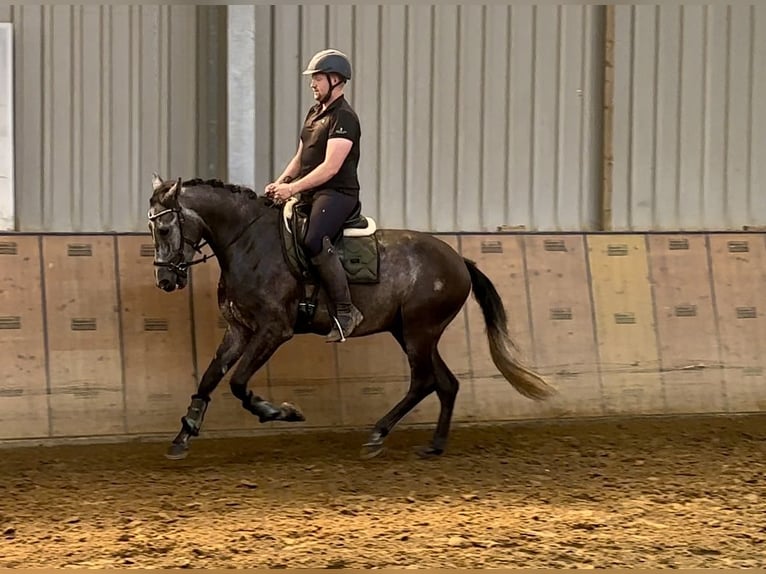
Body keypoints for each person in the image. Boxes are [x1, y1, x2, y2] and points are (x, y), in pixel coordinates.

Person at [265, 49, 364, 343]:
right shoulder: (314, 113)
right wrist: (280, 182)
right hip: (311, 190)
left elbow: (331, 168)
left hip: (337, 193)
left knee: (312, 239)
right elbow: (301, 156)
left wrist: (292, 189)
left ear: (335, 80)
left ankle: (346, 313)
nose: (313, 84)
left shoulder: (344, 118)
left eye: (317, 78)